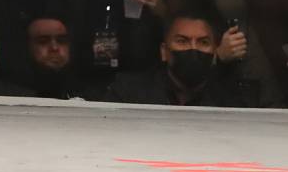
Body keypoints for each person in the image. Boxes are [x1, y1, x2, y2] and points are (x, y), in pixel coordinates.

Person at [100, 12, 250, 107]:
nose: (193, 49)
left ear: (215, 51)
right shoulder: (128, 93)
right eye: (182, 41)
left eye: (203, 42)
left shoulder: (230, 102)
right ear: (164, 51)